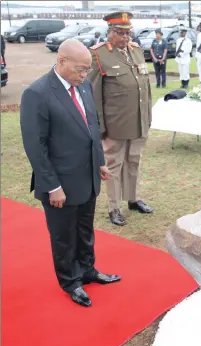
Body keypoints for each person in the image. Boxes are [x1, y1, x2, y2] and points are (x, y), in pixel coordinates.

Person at [20, 39, 120, 307]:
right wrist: (52, 186)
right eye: (80, 69)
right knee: (64, 236)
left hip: (86, 176)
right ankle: (71, 281)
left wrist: (99, 160)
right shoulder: (37, 93)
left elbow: (91, 124)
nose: (85, 74)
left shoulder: (83, 85)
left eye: (87, 69)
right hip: (59, 183)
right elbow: (35, 146)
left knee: (85, 230)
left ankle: (87, 269)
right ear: (61, 61)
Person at [88, 11, 153, 226]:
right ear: (109, 33)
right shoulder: (98, 55)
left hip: (138, 121)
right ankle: (113, 207)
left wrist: (148, 117)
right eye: (120, 33)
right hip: (115, 124)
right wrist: (100, 127)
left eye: (128, 33)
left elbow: (145, 88)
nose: (125, 37)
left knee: (134, 161)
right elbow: (94, 95)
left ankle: (133, 199)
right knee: (113, 166)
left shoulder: (136, 51)